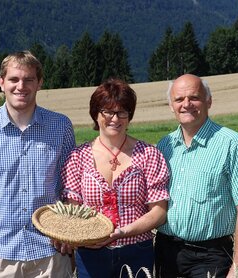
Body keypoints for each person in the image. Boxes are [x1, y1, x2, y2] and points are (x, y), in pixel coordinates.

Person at [0, 50, 75, 278]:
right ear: (1, 83)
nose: (21, 86)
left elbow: (69, 188)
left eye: (29, 79)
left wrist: (68, 234)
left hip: (50, 255)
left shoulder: (61, 127)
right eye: (14, 79)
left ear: (39, 83)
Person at [154, 74, 238, 278]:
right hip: (166, 252)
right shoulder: (164, 146)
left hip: (210, 256)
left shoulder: (230, 143)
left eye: (194, 97)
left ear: (209, 101)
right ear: (171, 105)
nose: (186, 104)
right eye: (179, 99)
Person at [59, 78, 170, 278]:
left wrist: (124, 232)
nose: (115, 118)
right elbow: (72, 209)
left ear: (130, 115)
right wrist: (85, 235)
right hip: (90, 254)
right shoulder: (78, 157)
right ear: (96, 114)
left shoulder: (149, 155)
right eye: (107, 111)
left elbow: (159, 212)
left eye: (122, 112)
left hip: (137, 251)